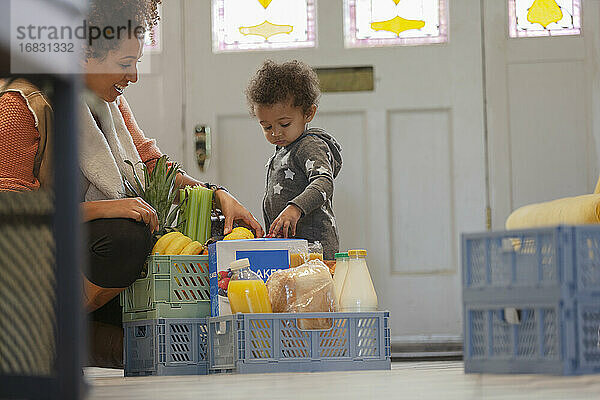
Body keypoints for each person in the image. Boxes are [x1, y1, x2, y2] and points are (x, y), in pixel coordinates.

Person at [0, 0, 263, 366]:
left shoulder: (107, 103)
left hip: (73, 259)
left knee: (149, 338)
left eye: (136, 62)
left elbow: (153, 165)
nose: (134, 76)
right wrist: (107, 208)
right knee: (125, 236)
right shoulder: (20, 104)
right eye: (125, 64)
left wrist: (217, 194)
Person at [245, 60, 342, 260]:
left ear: (309, 113)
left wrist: (295, 208)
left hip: (316, 250)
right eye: (267, 127)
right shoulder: (283, 149)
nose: (276, 133)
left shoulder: (309, 145)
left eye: (284, 123)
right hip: (291, 249)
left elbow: (324, 182)